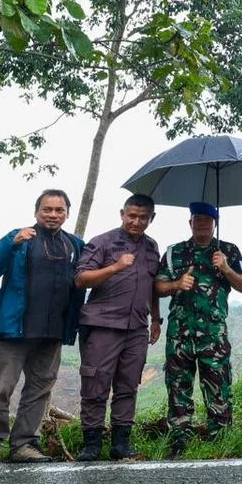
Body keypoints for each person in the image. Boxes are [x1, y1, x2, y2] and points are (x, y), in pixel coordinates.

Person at [0, 190, 85, 469]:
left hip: (52, 332)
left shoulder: (75, 245)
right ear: (36, 212)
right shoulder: (19, 237)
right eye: (47, 209)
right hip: (13, 331)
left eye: (59, 210)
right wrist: (11, 243)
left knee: (38, 391)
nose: (53, 215)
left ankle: (24, 444)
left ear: (67, 213)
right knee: (1, 389)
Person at [154, 202, 242, 457]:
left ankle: (220, 438)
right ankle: (178, 439)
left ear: (214, 223)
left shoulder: (228, 250)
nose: (202, 224)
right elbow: (157, 287)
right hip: (180, 334)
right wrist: (176, 284)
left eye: (207, 220)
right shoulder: (175, 252)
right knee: (178, 387)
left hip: (213, 335)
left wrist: (226, 268)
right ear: (190, 223)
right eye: (197, 220)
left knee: (218, 388)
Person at [74, 193, 162, 461]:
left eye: (143, 217)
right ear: (122, 213)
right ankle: (91, 444)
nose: (136, 222)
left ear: (151, 218)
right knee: (95, 384)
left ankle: (120, 444)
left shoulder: (152, 247)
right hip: (102, 325)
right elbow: (81, 279)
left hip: (136, 327)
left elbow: (152, 287)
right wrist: (114, 266)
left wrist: (156, 319)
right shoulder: (102, 242)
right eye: (131, 216)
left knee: (128, 385)